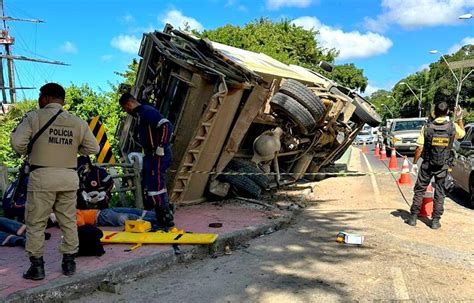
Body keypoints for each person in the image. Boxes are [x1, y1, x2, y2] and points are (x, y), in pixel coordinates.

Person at [10, 83, 100, 280]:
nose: (39, 99)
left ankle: (37, 267)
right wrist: (74, 149)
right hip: (68, 178)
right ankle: (69, 263)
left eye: (40, 96)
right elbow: (93, 148)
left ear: (46, 98)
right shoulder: (77, 121)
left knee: (36, 222)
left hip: (42, 177)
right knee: (68, 220)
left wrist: (31, 150)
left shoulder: (34, 117)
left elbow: (17, 143)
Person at [118, 93, 175, 230]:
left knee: (156, 186)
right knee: (154, 185)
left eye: (125, 108)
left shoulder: (146, 111)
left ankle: (164, 219)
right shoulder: (140, 115)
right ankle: (163, 215)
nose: (126, 111)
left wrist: (161, 146)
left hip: (157, 154)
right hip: (150, 154)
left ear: (128, 104)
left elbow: (166, 125)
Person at [406, 102, 465, 229]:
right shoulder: (452, 127)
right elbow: (463, 134)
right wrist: (460, 117)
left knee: (419, 190)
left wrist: (415, 164)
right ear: (448, 112)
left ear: (435, 112)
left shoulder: (426, 127)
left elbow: (419, 148)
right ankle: (435, 221)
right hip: (443, 166)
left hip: (427, 165)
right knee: (440, 193)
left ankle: (413, 218)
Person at [76, 207, 158, 227]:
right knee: (132, 213)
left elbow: (81, 223)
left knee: (130, 215)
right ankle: (157, 217)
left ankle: (156, 218)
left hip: (102, 216)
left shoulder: (74, 212)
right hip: (103, 212)